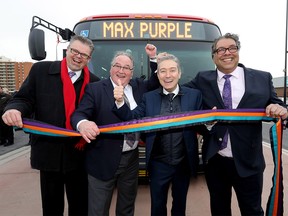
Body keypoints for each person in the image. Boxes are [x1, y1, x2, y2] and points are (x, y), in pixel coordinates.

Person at [148, 33, 288, 215]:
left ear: (238, 51)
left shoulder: (262, 78)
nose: (226, 53)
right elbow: (171, 87)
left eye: (231, 48)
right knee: (219, 210)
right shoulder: (202, 79)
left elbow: (279, 105)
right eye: (220, 49)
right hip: (215, 162)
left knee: (252, 210)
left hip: (249, 162)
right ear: (213, 56)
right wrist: (158, 65)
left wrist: (281, 109)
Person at [2, 35, 100, 216]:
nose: (78, 57)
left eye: (84, 55)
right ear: (67, 51)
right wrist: (14, 109)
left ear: (89, 59)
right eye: (75, 51)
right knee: (51, 208)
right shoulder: (41, 71)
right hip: (49, 154)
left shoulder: (95, 82)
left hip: (80, 156)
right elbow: (23, 98)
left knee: (80, 207)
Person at [70, 47, 160, 216]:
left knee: (127, 207)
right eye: (117, 66)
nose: (121, 71)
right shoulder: (95, 89)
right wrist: (82, 124)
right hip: (102, 159)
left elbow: (156, 82)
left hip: (131, 158)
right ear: (110, 68)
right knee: (98, 210)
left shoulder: (139, 86)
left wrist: (153, 58)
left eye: (126, 68)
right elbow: (79, 113)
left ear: (132, 73)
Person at [113, 54, 205, 216]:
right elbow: (132, 118)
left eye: (172, 70)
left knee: (180, 206)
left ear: (179, 73)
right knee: (157, 207)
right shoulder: (149, 98)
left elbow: (203, 123)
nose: (167, 75)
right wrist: (120, 102)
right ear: (158, 75)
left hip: (183, 163)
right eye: (162, 71)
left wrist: (210, 122)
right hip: (158, 164)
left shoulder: (194, 95)